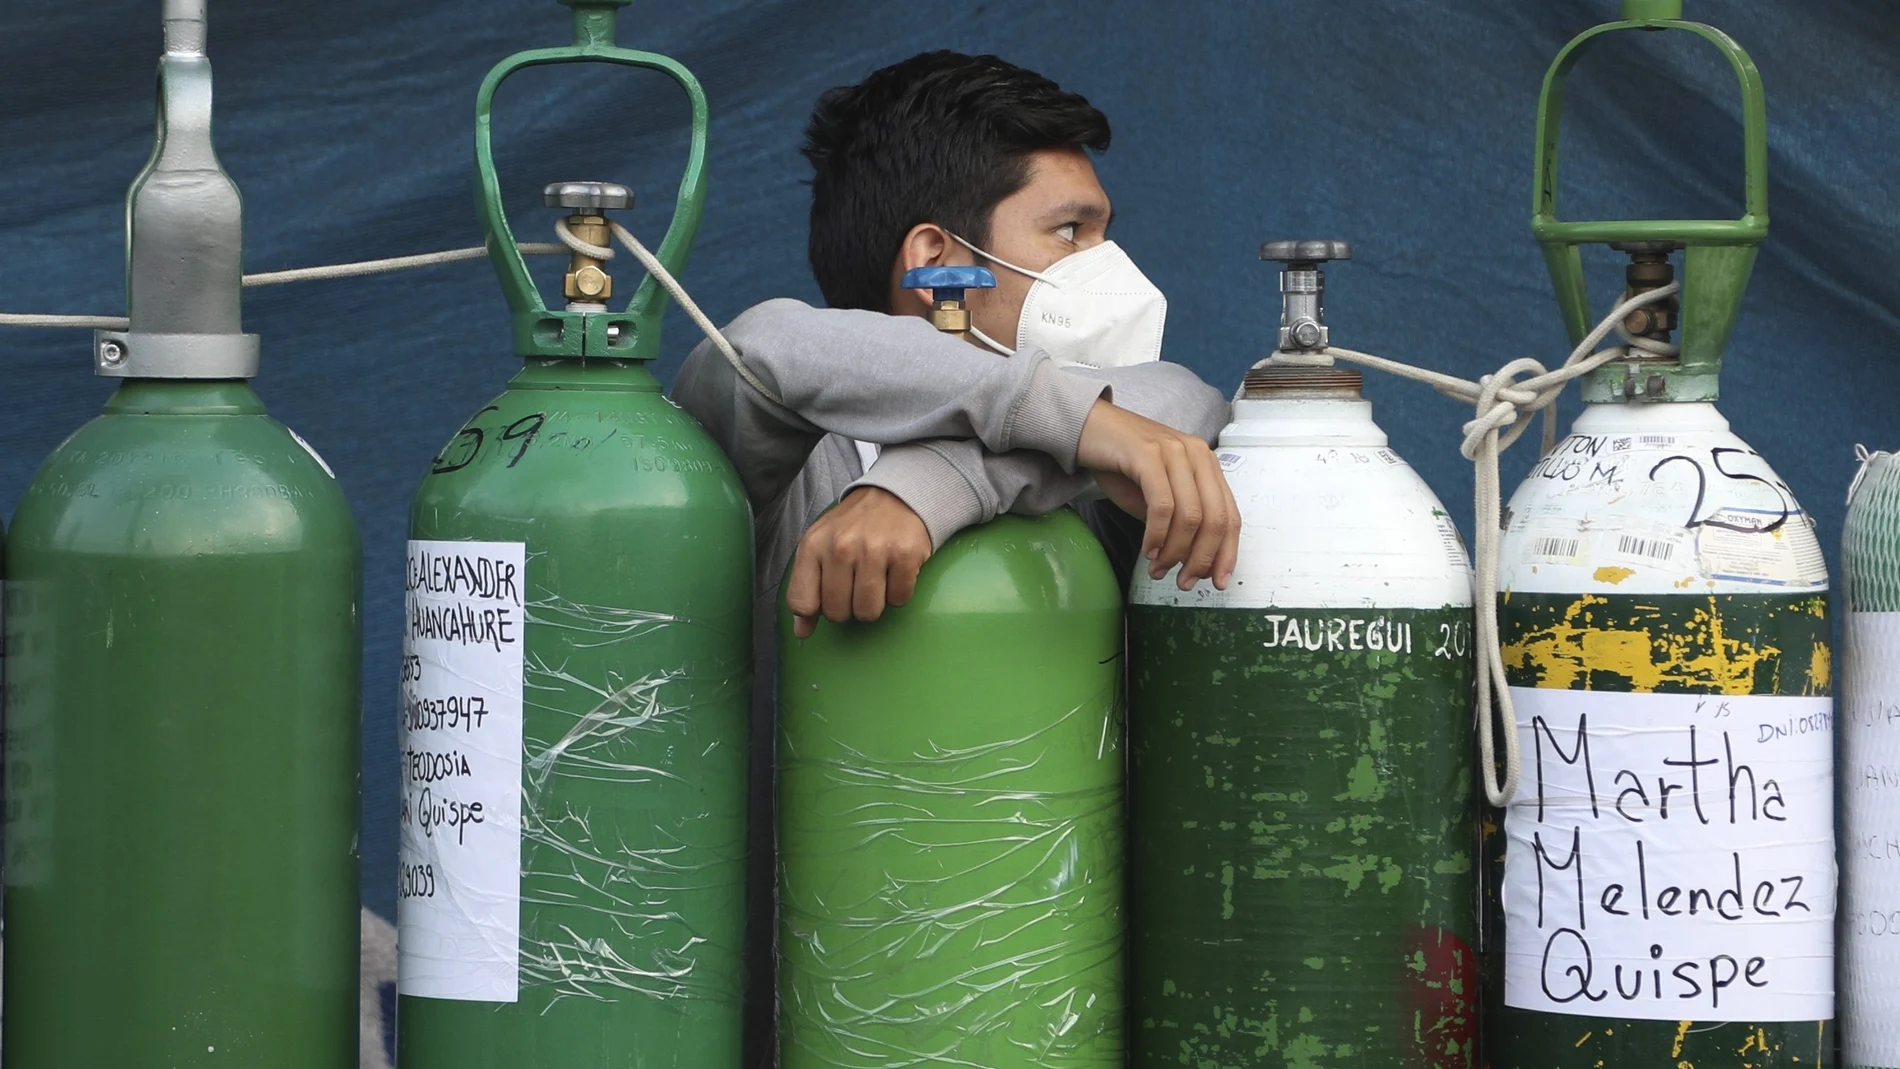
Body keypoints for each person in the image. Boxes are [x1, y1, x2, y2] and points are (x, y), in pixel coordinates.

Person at [668, 50, 1237, 1069]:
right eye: (1069, 233)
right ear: (939, 260)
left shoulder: (1107, 442)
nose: (1110, 270)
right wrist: (1054, 420)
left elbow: (1182, 403)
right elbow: (759, 353)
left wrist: (932, 485)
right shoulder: (776, 472)